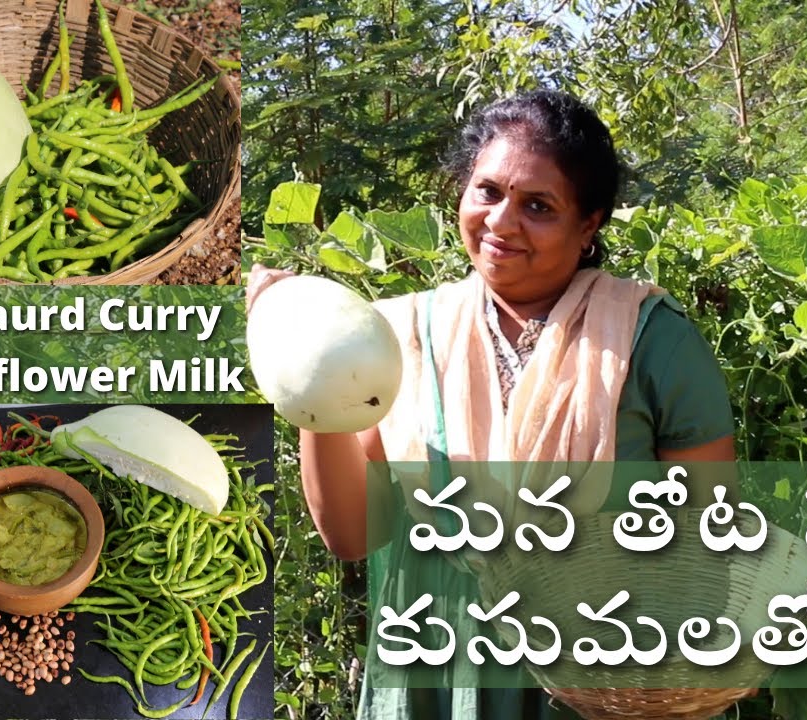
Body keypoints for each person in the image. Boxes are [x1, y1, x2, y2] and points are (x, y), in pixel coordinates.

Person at [248, 89, 736, 720]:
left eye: (538, 206)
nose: (501, 222)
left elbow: (707, 541)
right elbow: (353, 533)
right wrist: (308, 360)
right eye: (488, 191)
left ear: (588, 225)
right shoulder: (399, 337)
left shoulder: (651, 342)